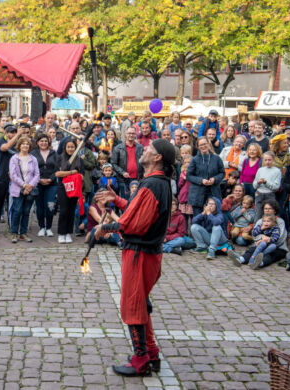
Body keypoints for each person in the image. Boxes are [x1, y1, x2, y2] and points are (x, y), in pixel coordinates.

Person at [93, 138, 175, 377]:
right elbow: (137, 211)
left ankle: (141, 361)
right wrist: (116, 200)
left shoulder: (153, 184)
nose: (145, 149)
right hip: (147, 253)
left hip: (140, 253)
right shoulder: (155, 183)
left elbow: (133, 224)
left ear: (157, 157)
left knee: (134, 305)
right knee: (141, 304)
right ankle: (151, 353)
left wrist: (103, 229)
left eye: (150, 148)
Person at [228, 200, 288, 269]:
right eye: (266, 209)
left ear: (274, 210)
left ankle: (260, 263)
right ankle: (241, 259)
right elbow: (254, 234)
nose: (267, 210)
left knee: (271, 254)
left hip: (277, 246)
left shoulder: (280, 221)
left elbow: (281, 238)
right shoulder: (260, 221)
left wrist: (267, 240)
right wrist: (262, 237)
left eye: (270, 209)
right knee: (252, 250)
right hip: (261, 243)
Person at [0, 124, 23, 233]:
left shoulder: (18, 144)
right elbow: (6, 147)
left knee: (13, 204)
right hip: (1, 177)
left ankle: (12, 226)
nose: (13, 134)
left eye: (15, 132)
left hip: (14, 178)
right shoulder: (0, 141)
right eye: (11, 132)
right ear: (6, 133)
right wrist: (18, 134)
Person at [9, 136, 40, 243]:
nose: (25, 145)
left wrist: (30, 186)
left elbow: (37, 175)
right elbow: (13, 175)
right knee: (17, 211)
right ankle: (14, 233)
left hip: (30, 190)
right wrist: (24, 185)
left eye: (27, 144)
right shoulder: (14, 158)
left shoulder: (33, 159)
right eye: (23, 143)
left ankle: (23, 233)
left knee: (27, 212)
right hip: (18, 189)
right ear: (19, 145)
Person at [186, 136, 225, 216]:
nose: (203, 146)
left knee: (213, 218)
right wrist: (201, 180)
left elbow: (222, 173)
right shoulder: (194, 159)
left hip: (213, 192)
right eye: (201, 145)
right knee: (198, 219)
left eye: (205, 144)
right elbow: (189, 176)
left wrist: (215, 179)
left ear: (209, 144)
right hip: (197, 194)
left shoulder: (216, 158)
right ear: (198, 146)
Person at [55, 139, 83, 244]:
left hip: (74, 188)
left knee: (71, 211)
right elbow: (57, 174)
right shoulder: (59, 158)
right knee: (63, 210)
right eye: (68, 147)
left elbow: (81, 174)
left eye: (72, 147)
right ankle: (61, 233)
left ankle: (68, 233)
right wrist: (72, 172)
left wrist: (68, 173)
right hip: (63, 187)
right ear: (65, 148)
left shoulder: (79, 160)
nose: (70, 149)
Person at [31, 133, 58, 237]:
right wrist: (39, 180)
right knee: (39, 207)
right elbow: (31, 169)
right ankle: (42, 227)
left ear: (49, 142)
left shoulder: (54, 153)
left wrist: (51, 179)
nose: (44, 143)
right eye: (41, 141)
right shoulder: (33, 153)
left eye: (46, 141)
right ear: (37, 142)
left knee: (50, 205)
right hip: (38, 183)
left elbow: (57, 168)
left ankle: (49, 227)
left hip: (51, 184)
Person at [111, 127, 143, 199]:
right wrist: (122, 172)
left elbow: (144, 162)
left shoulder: (140, 147)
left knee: (136, 200)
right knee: (124, 200)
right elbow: (113, 163)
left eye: (133, 133)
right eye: (129, 133)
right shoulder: (118, 148)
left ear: (135, 135)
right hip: (123, 180)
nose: (131, 135)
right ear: (125, 134)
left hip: (137, 179)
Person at [253, 151, 282, 221]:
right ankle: (256, 230)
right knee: (258, 214)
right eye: (265, 160)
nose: (267, 162)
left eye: (269, 160)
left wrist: (266, 182)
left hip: (270, 194)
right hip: (259, 194)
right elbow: (254, 185)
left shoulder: (277, 171)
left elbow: (276, 187)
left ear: (273, 160)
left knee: (270, 215)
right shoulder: (260, 170)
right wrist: (258, 182)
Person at [177, 145, 193, 229]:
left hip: (191, 196)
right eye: (185, 162)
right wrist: (183, 178)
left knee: (191, 216)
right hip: (183, 196)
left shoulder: (194, 172)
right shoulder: (182, 172)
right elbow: (179, 185)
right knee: (184, 216)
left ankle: (192, 233)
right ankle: (185, 231)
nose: (187, 164)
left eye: (189, 162)